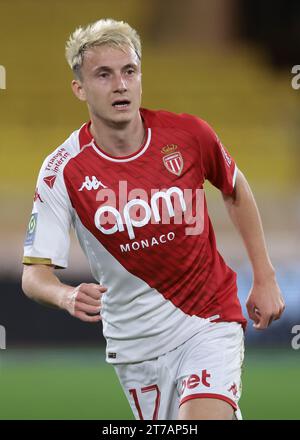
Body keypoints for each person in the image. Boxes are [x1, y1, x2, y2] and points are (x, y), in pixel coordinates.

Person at [22, 18, 285, 420]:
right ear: (80, 88)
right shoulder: (63, 171)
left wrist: (264, 277)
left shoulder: (188, 135)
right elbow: (34, 274)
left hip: (208, 318)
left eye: (129, 71)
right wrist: (66, 295)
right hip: (135, 344)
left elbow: (235, 188)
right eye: (104, 75)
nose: (120, 85)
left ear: (141, 76)